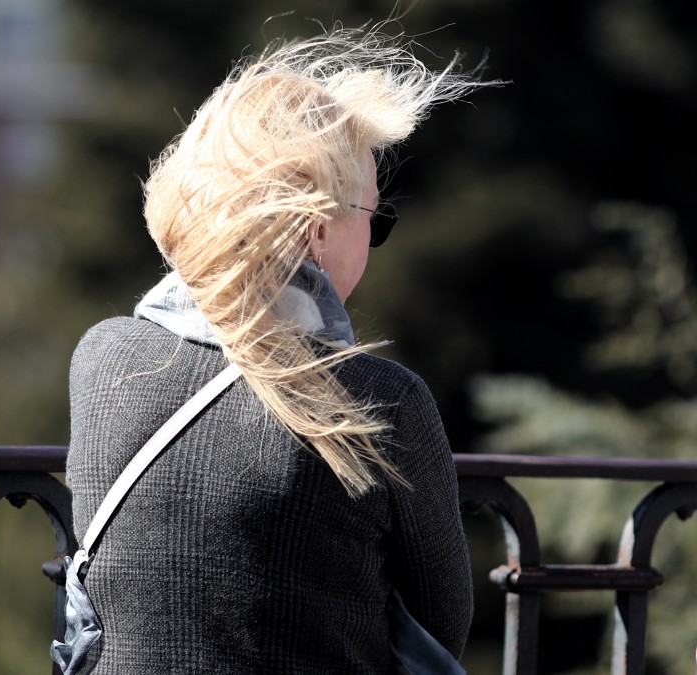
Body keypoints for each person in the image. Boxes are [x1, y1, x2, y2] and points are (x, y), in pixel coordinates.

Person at [65, 26, 494, 673]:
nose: (374, 243)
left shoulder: (101, 356)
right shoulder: (383, 400)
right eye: (375, 221)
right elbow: (439, 627)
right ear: (320, 223)